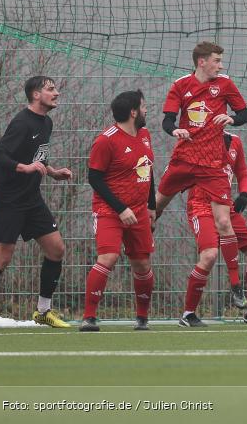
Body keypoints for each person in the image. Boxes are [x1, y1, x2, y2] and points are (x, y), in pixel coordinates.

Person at [155, 41, 247, 300]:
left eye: (221, 61)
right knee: (157, 205)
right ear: (202, 62)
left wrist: (231, 118)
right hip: (184, 159)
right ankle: (140, 237)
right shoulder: (181, 86)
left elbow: (244, 114)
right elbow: (167, 120)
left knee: (223, 222)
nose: (221, 65)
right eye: (216, 61)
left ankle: (235, 285)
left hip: (212, 165)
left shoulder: (226, 85)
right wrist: (174, 130)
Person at [0, 76, 73, 328]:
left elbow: (37, 158)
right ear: (36, 95)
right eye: (50, 89)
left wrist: (53, 172)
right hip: (8, 199)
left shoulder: (46, 122)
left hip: (31, 199)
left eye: (56, 88)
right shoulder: (22, 123)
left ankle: (43, 311)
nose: (56, 93)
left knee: (56, 249)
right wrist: (22, 167)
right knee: (2, 256)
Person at [180, 131, 247, 327]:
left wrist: (244, 193)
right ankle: (188, 314)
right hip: (201, 207)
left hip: (225, 206)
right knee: (209, 256)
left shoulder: (234, 141)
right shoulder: (196, 140)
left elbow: (242, 172)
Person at [81, 90, 157, 332]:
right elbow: (94, 178)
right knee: (108, 257)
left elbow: (148, 168)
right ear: (133, 112)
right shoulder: (106, 140)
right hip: (109, 210)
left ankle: (142, 319)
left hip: (139, 211)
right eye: (143, 107)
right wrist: (121, 208)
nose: (146, 111)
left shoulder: (144, 134)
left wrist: (152, 206)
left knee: (142, 264)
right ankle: (89, 317)